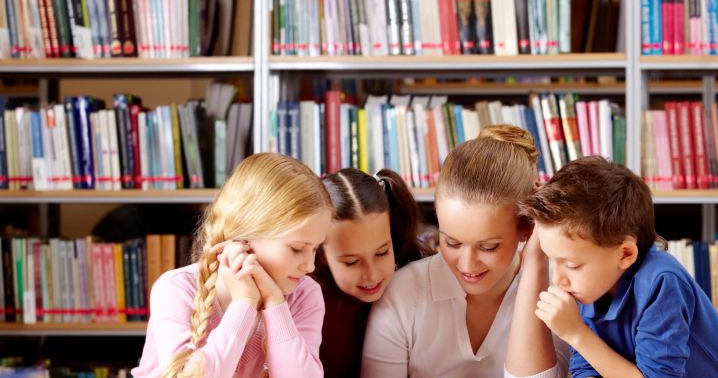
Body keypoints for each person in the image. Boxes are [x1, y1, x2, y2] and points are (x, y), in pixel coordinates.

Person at [519, 156, 718, 378]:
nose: (559, 279)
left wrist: (576, 333)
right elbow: (586, 366)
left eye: (571, 264)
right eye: (552, 260)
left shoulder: (661, 281)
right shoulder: (590, 285)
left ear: (625, 254)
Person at [362, 125, 569, 378]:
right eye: (452, 242)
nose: (468, 265)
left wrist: (536, 259)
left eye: (488, 247)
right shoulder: (404, 294)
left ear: (527, 227)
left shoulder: (558, 290)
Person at [132, 153, 333, 378]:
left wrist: (275, 304)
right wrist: (244, 303)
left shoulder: (305, 294)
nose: (310, 266)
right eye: (296, 249)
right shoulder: (176, 289)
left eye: (315, 248)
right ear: (244, 237)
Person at [315, 168, 432, 378]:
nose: (371, 274)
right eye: (351, 262)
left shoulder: (417, 275)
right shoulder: (306, 301)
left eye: (381, 253)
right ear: (321, 253)